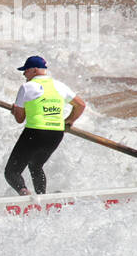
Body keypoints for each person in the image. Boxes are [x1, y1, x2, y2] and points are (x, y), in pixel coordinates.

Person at [5, 55, 86, 195]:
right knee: (36, 166)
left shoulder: (27, 87)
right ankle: (41, 197)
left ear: (35, 70)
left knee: (12, 172)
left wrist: (15, 111)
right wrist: (69, 121)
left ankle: (25, 194)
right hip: (56, 133)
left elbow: (20, 118)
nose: (24, 74)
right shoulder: (60, 85)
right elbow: (80, 105)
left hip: (35, 132)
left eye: (26, 70)